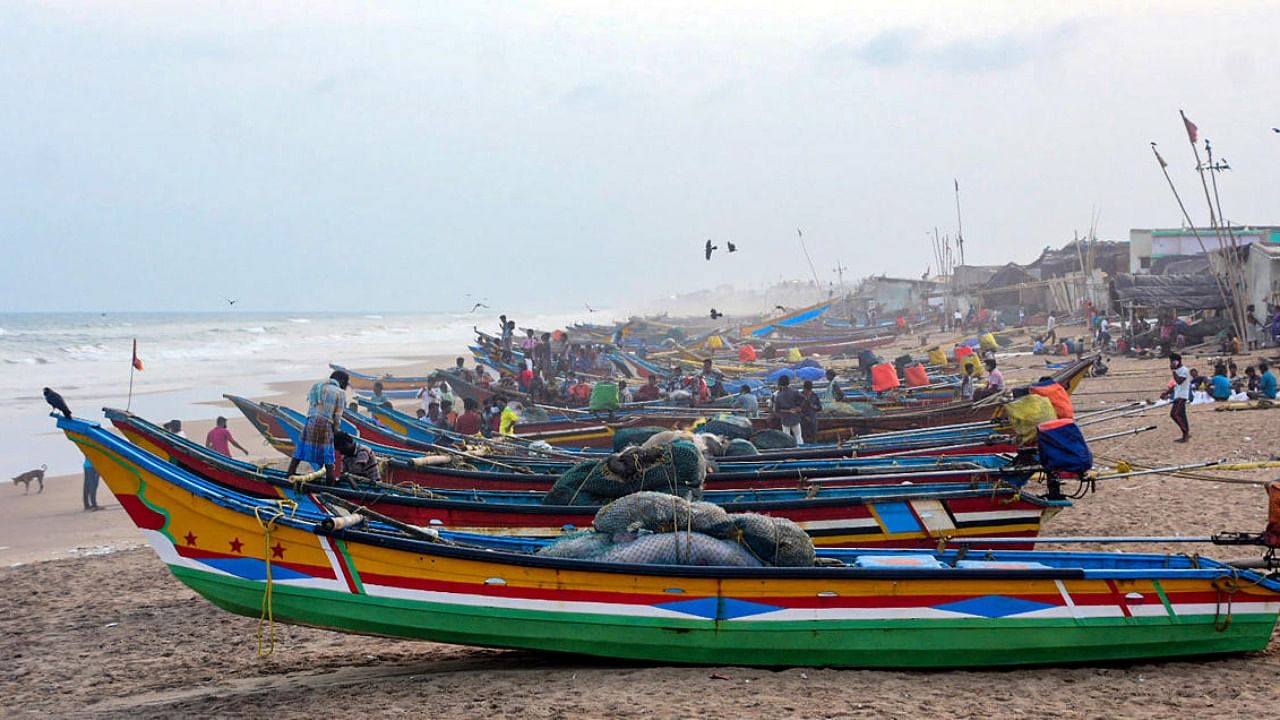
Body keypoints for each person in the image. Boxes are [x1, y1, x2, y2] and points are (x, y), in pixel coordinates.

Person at [286, 370, 349, 483]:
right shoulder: (340, 393)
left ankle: (290, 472)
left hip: (310, 420)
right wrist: (335, 430)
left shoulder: (317, 387)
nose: (346, 387)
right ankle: (330, 481)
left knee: (301, 448)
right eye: (346, 384)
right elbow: (337, 416)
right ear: (342, 381)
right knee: (328, 454)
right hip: (326, 423)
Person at [772, 375, 804, 443]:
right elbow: (803, 399)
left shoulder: (778, 396)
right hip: (795, 417)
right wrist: (799, 408)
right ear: (788, 382)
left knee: (786, 438)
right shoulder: (795, 392)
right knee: (798, 436)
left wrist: (787, 411)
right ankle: (802, 449)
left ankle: (788, 451)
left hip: (785, 419)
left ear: (780, 384)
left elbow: (776, 410)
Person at [1169, 353, 1190, 443]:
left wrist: (1173, 371)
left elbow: (1179, 381)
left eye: (1172, 361)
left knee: (1176, 414)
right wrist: (1167, 392)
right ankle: (1186, 431)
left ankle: (1185, 433)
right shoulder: (1178, 371)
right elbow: (1176, 385)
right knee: (1181, 415)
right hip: (1178, 395)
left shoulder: (1184, 370)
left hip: (1182, 396)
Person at [799, 380, 822, 445]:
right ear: (804, 388)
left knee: (814, 438)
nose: (808, 392)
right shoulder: (800, 396)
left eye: (809, 391)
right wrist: (804, 417)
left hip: (813, 420)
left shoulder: (814, 396)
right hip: (803, 420)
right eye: (806, 391)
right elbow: (797, 409)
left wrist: (814, 407)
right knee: (803, 437)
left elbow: (819, 408)